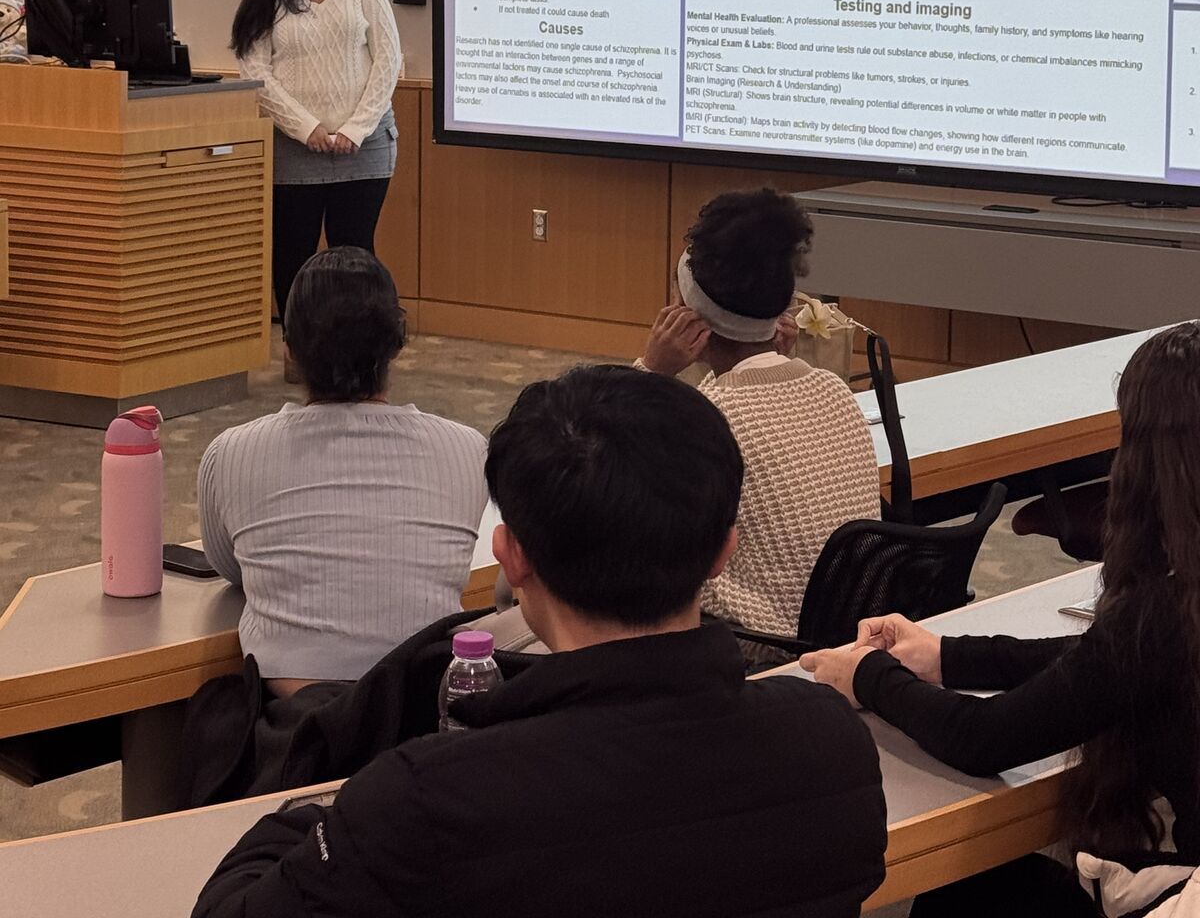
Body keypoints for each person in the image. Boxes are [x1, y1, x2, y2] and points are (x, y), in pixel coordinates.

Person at [192, 364, 887, 918]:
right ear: (722, 552)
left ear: (511, 557)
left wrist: (309, 818)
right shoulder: (833, 744)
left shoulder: (426, 801)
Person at [801, 320, 1200, 916]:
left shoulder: (1160, 617)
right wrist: (947, 656)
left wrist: (868, 676)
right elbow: (1107, 664)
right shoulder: (1168, 620)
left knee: (966, 889)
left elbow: (984, 739)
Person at [198, 247, 488, 687]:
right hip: (422, 721)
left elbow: (231, 567)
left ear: (289, 349)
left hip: (294, 733)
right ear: (398, 344)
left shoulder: (230, 453)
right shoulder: (469, 450)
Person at [639, 187, 879, 637]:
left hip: (759, 645)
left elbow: (610, 476)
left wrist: (651, 373)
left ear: (688, 313)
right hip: (843, 633)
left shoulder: (706, 418)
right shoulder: (831, 387)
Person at [231, 0, 403, 324]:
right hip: (296, 149)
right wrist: (306, 128)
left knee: (355, 250)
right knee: (293, 250)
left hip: (364, 147)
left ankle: (362, 340)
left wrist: (356, 129)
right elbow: (256, 73)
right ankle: (299, 344)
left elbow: (388, 60)